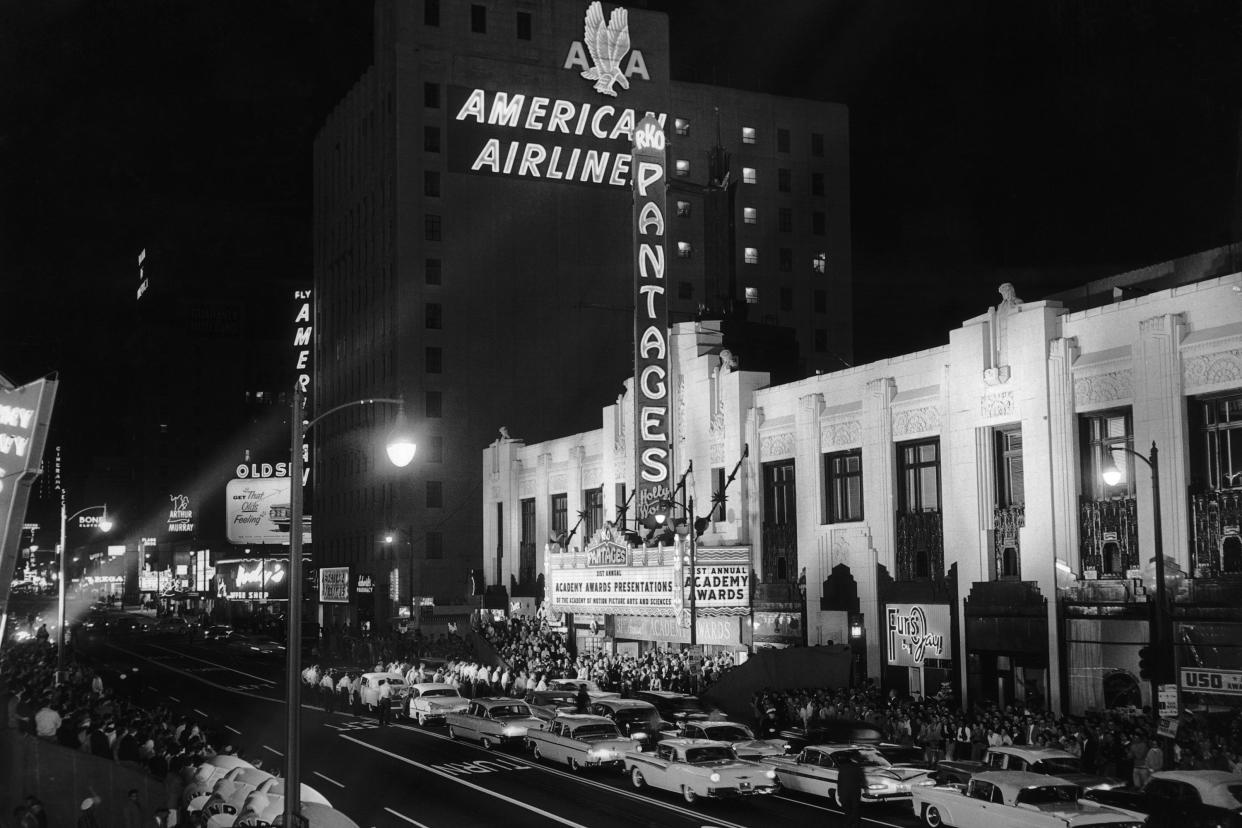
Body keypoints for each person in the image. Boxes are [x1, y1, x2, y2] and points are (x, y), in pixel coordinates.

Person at [836, 755, 865, 828]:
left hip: (844, 793)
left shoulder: (842, 768)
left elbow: (839, 782)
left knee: (847, 811)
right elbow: (862, 781)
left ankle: (848, 824)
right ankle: (854, 825)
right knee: (855, 810)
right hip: (855, 792)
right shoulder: (858, 768)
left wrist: (839, 794)